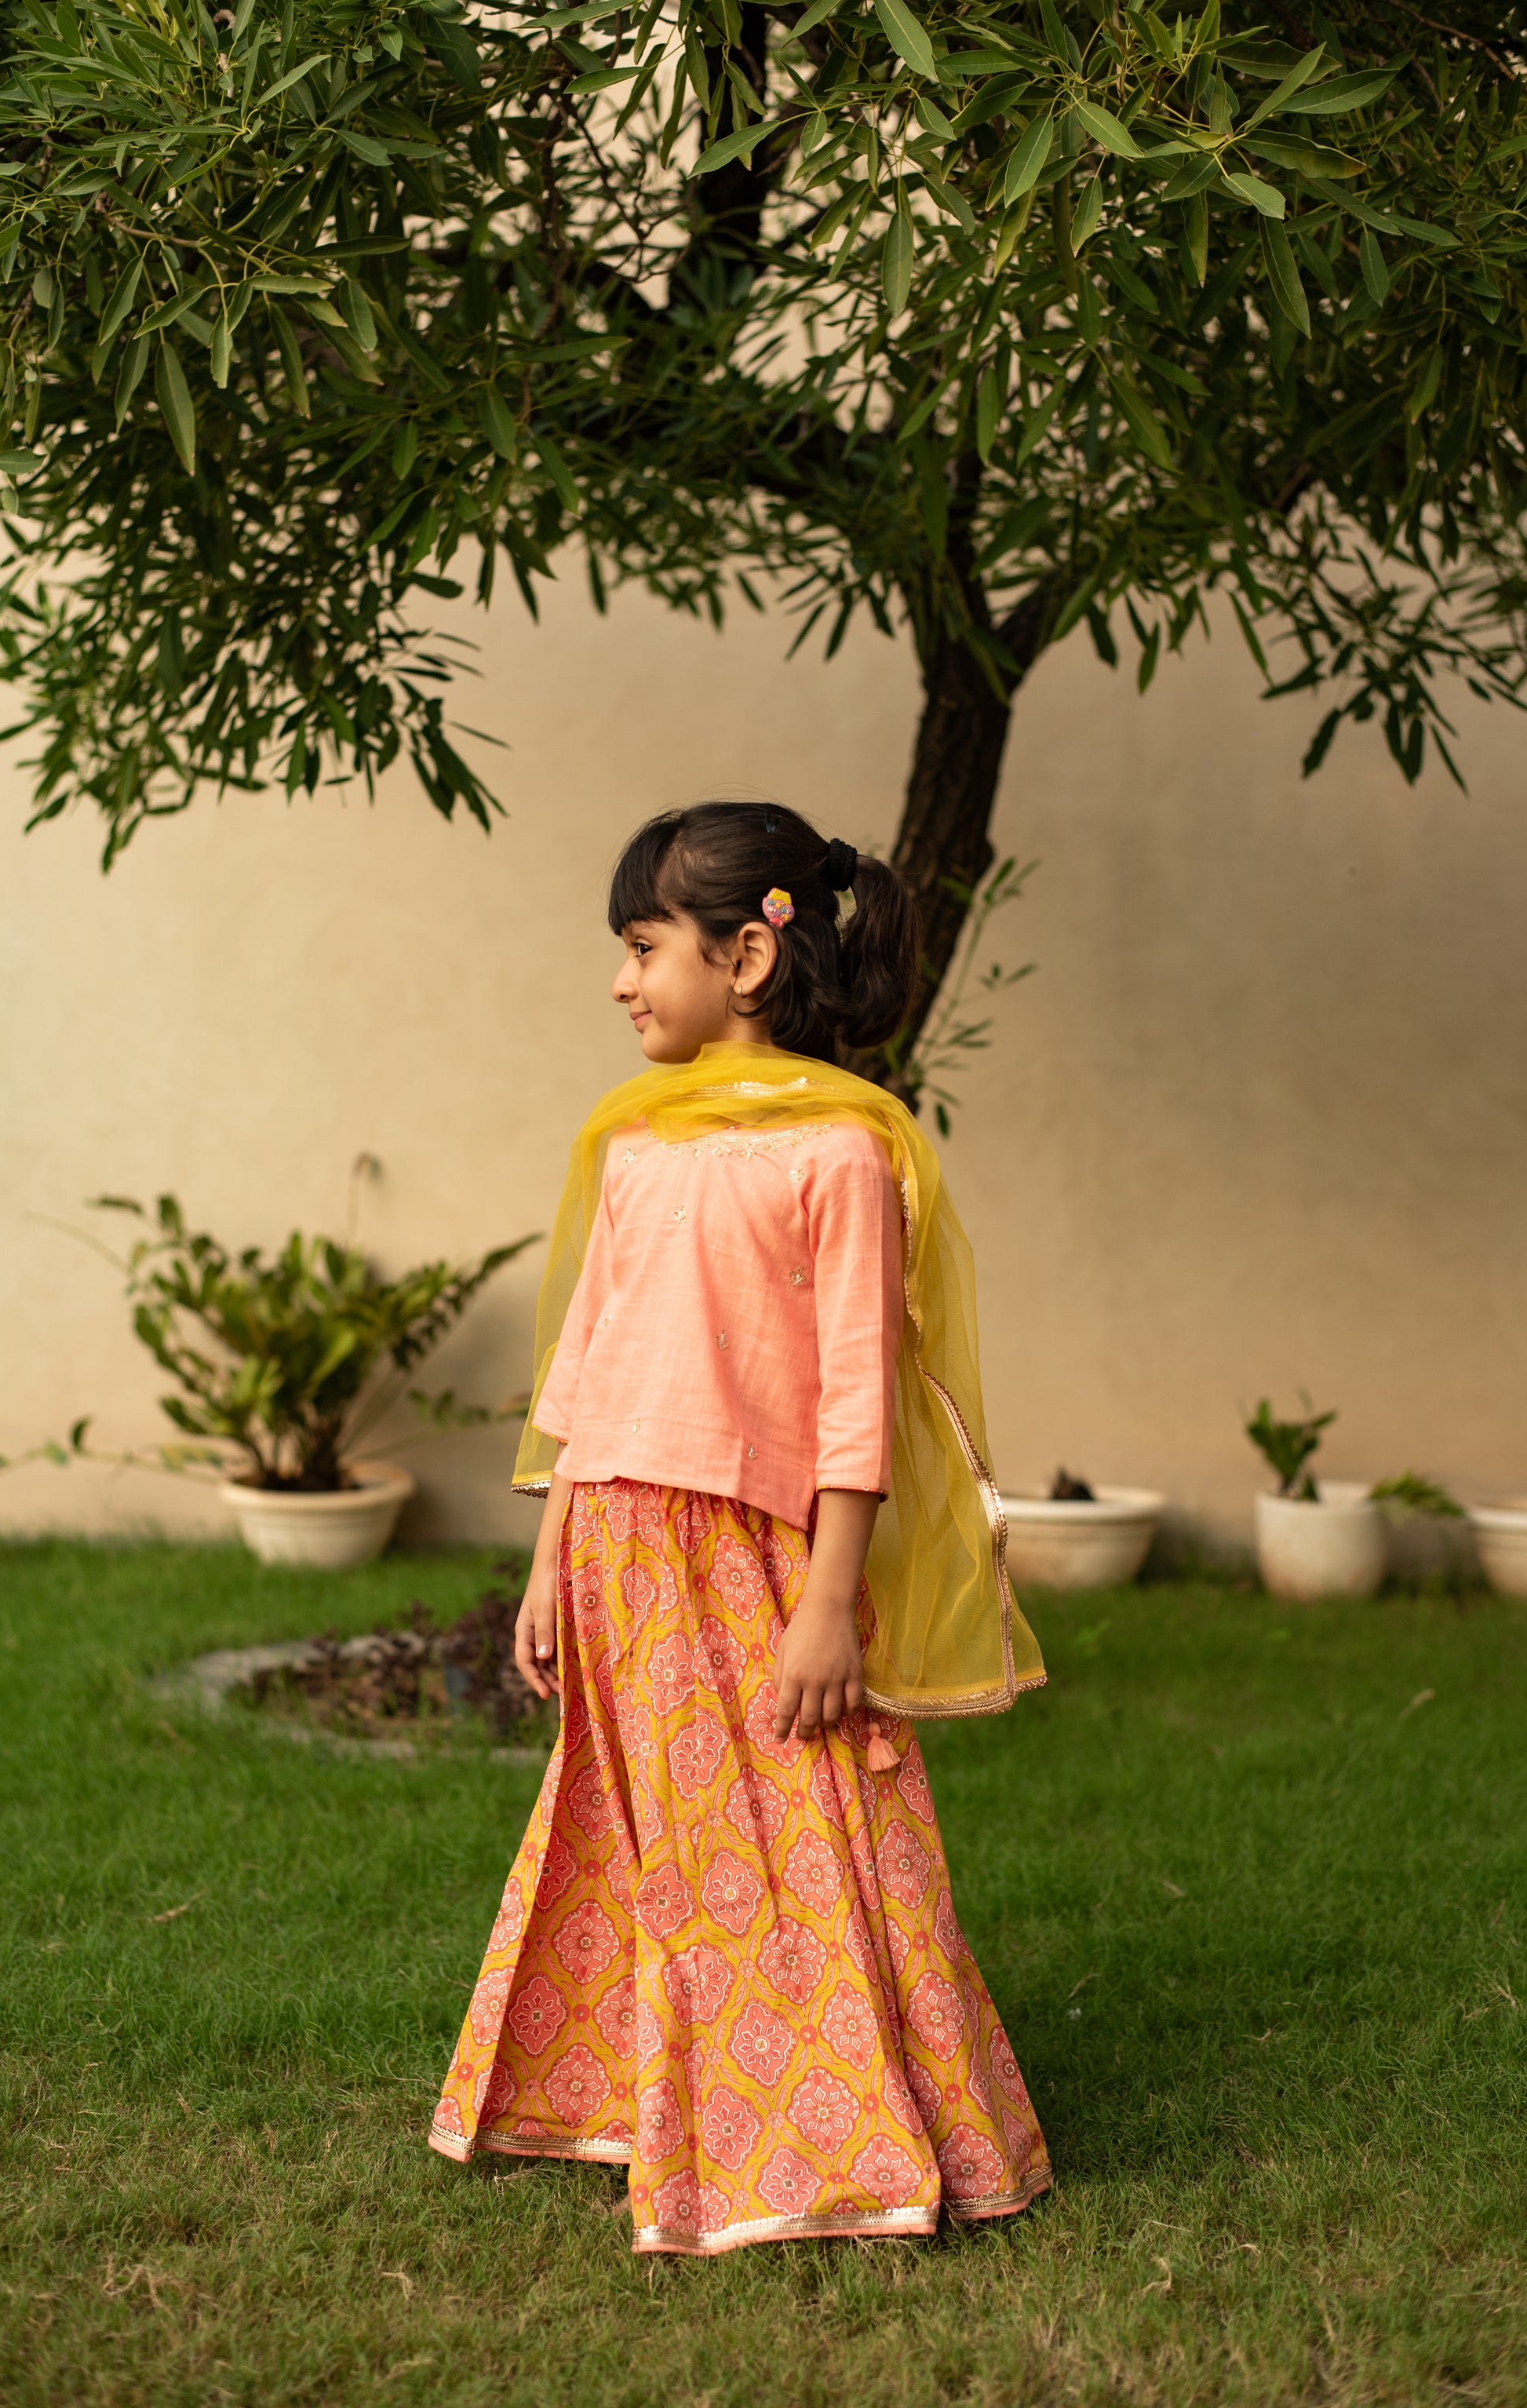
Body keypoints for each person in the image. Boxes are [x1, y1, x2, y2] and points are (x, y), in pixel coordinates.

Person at [429, 801, 1051, 2255]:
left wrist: (832, 1606)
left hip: (756, 1555)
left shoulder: (840, 1153)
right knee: (643, 1833)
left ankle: (844, 2133)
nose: (623, 980)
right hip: (615, 1547)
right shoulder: (638, 1146)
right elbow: (587, 1369)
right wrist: (545, 1561)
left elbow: (856, 1397)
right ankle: (641, 2098)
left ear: (751, 956)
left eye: (646, 947)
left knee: (803, 1835)